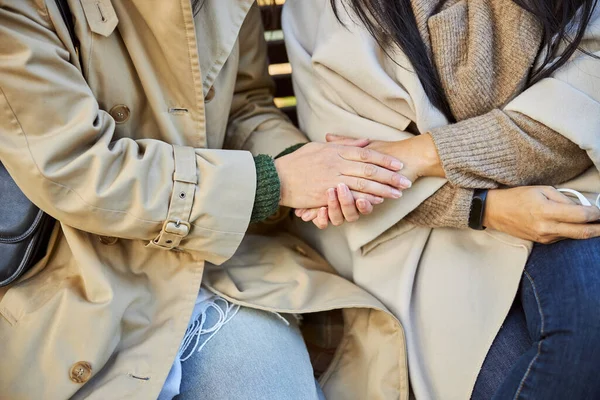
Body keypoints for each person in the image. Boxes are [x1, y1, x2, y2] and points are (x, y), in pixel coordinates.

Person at [0, 1, 414, 399]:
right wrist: (271, 182)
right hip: (77, 276)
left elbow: (242, 107)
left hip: (217, 267)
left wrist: (302, 166)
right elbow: (74, 165)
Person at [283, 0, 600, 398]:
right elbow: (352, 169)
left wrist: (421, 154)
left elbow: (570, 124)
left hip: (569, 196)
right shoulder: (331, 10)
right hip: (423, 236)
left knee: (589, 322)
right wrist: (485, 207)